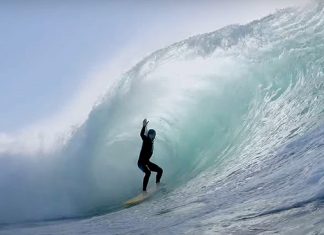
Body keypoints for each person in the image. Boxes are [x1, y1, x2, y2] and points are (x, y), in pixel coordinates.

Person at [137, 118, 163, 192]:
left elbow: (146, 132)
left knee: (160, 170)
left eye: (153, 135)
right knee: (148, 173)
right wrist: (144, 126)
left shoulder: (151, 141)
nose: (152, 136)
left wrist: (146, 128)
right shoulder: (146, 140)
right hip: (141, 163)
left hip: (146, 162)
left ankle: (158, 183)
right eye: (151, 135)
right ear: (149, 135)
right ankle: (144, 191)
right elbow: (142, 134)